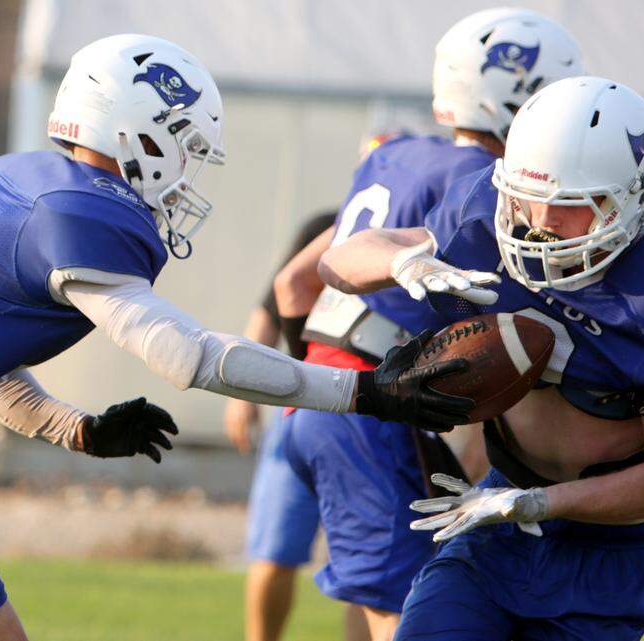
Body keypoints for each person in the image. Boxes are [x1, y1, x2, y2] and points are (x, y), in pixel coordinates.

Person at [0, 35, 471, 641]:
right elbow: (192, 356)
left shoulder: (20, 180)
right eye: (182, 144)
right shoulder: (84, 213)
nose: (184, 175)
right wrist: (364, 390)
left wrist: (75, 428)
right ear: (139, 131)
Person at [318, 76, 644, 641]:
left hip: (604, 554)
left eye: (569, 205)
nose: (542, 222)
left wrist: (538, 504)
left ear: (629, 195)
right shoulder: (481, 222)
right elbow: (339, 263)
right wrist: (404, 263)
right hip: (495, 512)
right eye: (529, 196)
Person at [272, 10, 586, 641]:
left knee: (375, 591)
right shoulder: (482, 185)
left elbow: (294, 284)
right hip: (375, 409)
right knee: (414, 613)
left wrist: (315, 389)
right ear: (520, 98)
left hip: (320, 397)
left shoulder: (395, 156)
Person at [220, 212, 370, 641]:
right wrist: (241, 394)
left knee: (367, 568)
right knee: (276, 553)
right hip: (312, 407)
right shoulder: (332, 224)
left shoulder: (412, 231)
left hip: (360, 413)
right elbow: (274, 301)